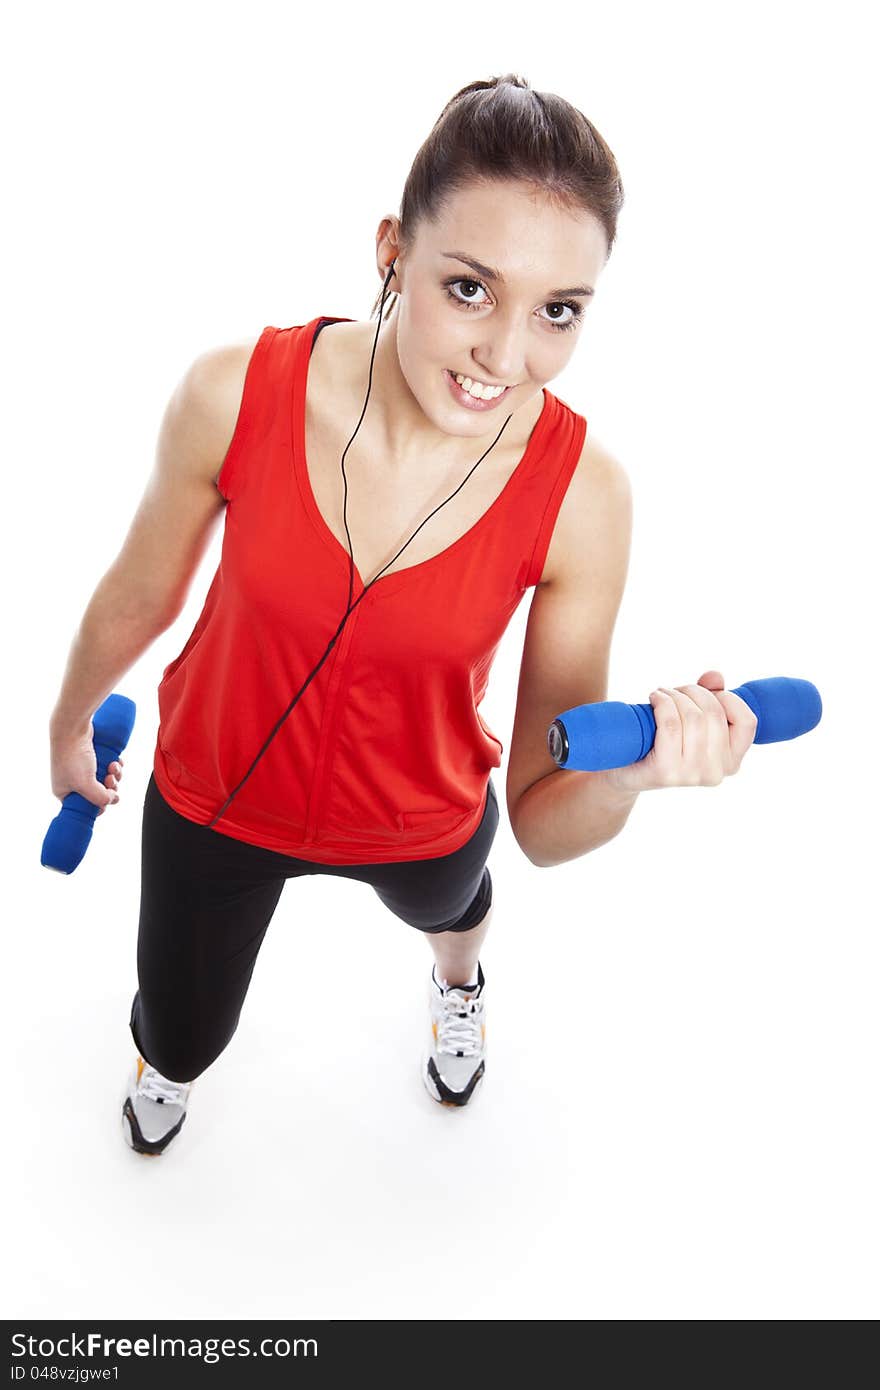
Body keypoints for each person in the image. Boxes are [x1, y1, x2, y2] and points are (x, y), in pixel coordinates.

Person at [47, 73, 758, 1157]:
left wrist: (634, 772)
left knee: (456, 903)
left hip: (418, 814)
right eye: (470, 288)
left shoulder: (584, 494)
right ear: (392, 250)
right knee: (179, 1034)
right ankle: (171, 1059)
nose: (506, 357)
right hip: (216, 791)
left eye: (557, 311)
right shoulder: (232, 391)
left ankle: (460, 974)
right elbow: (142, 592)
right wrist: (67, 720)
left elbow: (540, 815)